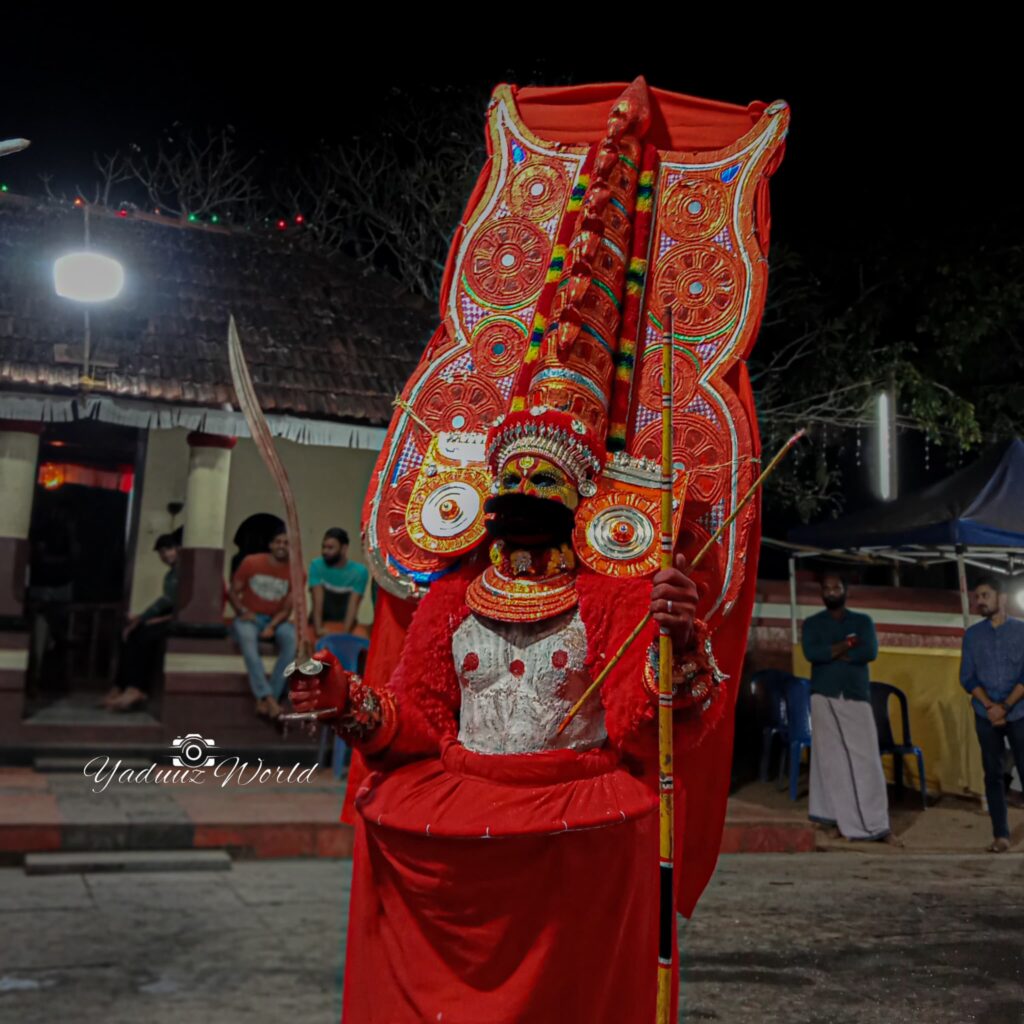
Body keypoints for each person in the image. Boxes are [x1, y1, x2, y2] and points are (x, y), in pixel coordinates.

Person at [802, 571, 897, 844]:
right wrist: (847, 645)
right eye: (827, 588)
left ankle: (874, 824)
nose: (832, 591)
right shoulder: (812, 623)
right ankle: (831, 818)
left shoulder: (862, 621)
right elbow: (813, 653)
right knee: (829, 761)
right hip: (825, 695)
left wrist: (833, 652)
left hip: (855, 695)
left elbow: (869, 652)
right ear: (822, 593)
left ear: (845, 590)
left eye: (836, 587)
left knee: (866, 760)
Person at [960, 576, 1024, 852]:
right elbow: (967, 678)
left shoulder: (1022, 632)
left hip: (1019, 711)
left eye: (985, 595)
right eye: (978, 597)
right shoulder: (972, 636)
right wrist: (990, 707)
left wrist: (1006, 707)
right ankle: (1001, 835)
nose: (980, 602)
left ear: (1003, 599)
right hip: (986, 714)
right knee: (993, 774)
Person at [102, 532, 179, 712]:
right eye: (161, 552)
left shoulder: (184, 572)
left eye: (169, 549)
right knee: (129, 634)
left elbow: (171, 604)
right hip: (170, 617)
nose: (166, 555)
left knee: (144, 634)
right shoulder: (170, 575)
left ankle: (137, 688)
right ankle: (120, 686)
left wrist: (143, 618)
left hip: (179, 622)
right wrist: (142, 618)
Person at [229, 526, 296, 720]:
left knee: (291, 642)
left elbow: (287, 609)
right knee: (248, 643)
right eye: (278, 542)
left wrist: (272, 626)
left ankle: (267, 700)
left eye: (286, 543)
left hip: (277, 621)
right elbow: (233, 591)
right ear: (270, 545)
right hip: (250, 618)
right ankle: (268, 697)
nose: (282, 546)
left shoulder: (295, 571)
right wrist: (242, 611)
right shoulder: (251, 562)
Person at [308, 528, 369, 639]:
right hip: (320, 623)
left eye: (330, 548)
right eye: (323, 547)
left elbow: (353, 606)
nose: (325, 551)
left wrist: (344, 634)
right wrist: (319, 630)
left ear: (344, 549)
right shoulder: (316, 565)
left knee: (361, 639)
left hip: (345, 624)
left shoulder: (360, 572)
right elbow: (317, 603)